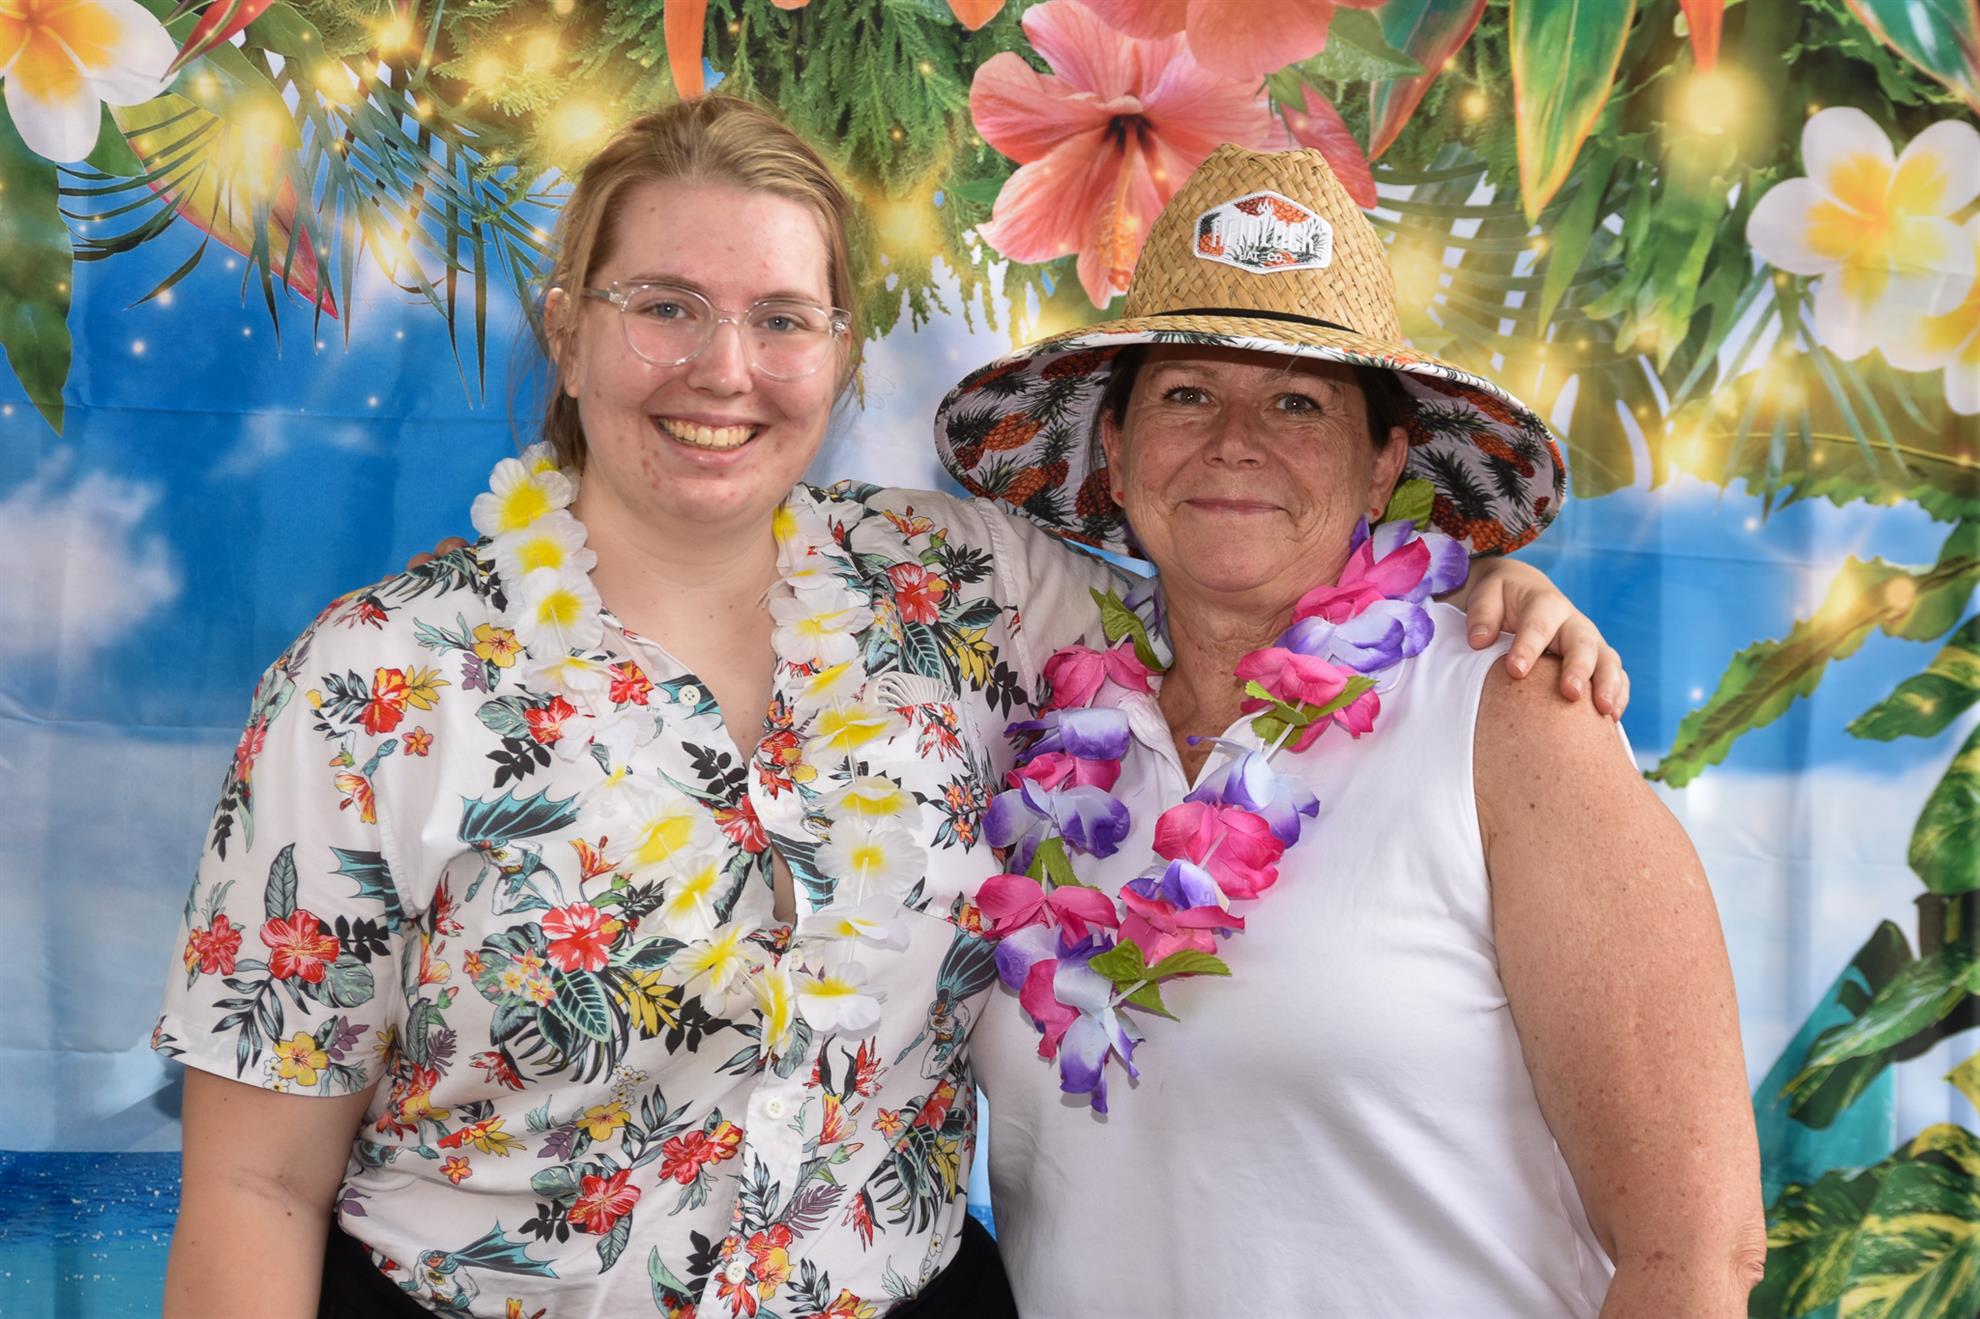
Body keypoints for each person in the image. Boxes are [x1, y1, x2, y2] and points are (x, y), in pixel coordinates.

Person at [156, 98, 1625, 1319]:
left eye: (782, 317)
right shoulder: (373, 684)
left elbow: (1243, 589)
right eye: (665, 306)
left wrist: (1479, 603)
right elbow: (254, 1182)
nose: (724, 368)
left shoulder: (964, 587)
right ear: (568, 329)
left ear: (842, 353)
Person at [937, 145, 1766, 1317]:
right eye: (1185, 393)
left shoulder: (1509, 715)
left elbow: (1695, 1253)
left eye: (1297, 401)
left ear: (1383, 467)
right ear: (1114, 452)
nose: (1235, 439)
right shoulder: (1029, 727)